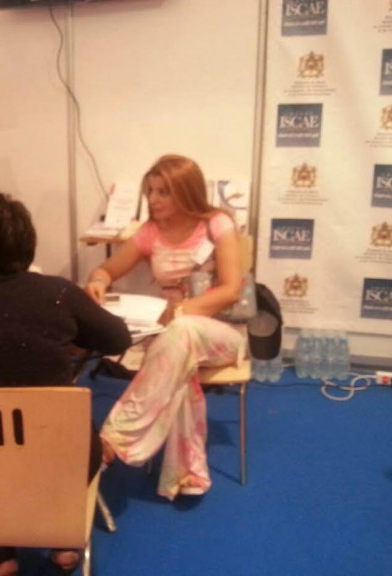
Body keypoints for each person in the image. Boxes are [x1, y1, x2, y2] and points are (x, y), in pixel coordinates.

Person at [0, 192, 131, 576]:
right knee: (64, 441)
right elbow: (118, 339)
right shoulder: (58, 293)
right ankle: (63, 543)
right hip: (60, 457)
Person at [84, 154, 246, 500]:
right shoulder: (150, 232)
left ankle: (112, 440)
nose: (153, 200)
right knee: (180, 358)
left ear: (186, 192)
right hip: (173, 340)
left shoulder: (217, 224)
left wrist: (182, 312)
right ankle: (188, 474)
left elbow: (232, 290)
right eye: (150, 191)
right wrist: (98, 280)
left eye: (163, 192)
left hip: (222, 335)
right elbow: (108, 270)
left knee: (182, 330)